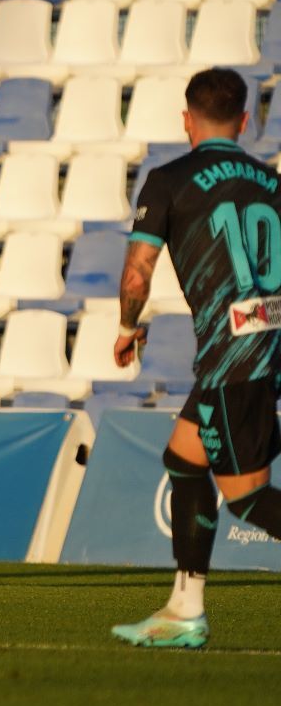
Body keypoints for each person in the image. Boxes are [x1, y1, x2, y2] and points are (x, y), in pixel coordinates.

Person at [112, 66, 281, 648]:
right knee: (184, 459)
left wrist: (128, 326)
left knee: (250, 498)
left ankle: (187, 612)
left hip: (236, 360)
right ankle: (185, 608)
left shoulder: (168, 180)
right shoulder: (271, 181)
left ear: (187, 119)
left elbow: (137, 276)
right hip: (259, 348)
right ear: (245, 120)